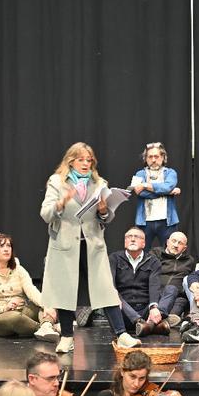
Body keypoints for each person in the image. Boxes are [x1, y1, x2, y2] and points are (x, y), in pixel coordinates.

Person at [39, 142, 141, 354]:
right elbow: (45, 213)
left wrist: (104, 210)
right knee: (64, 291)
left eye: (89, 160)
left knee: (105, 289)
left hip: (92, 244)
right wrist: (60, 204)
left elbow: (105, 219)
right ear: (71, 161)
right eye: (81, 160)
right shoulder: (57, 181)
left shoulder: (99, 183)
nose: (86, 164)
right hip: (66, 244)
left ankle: (121, 334)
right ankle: (67, 336)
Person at [0, 233, 58, 340]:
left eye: (8, 246)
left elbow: (32, 291)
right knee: (15, 318)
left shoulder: (18, 270)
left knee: (44, 306)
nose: (6, 249)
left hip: (21, 311)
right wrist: (5, 307)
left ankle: (47, 326)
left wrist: (46, 305)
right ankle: (47, 328)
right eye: (1, 246)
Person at [110, 227, 169, 337]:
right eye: (129, 237)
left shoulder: (153, 261)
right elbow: (110, 282)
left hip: (146, 310)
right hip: (123, 311)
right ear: (125, 242)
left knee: (171, 289)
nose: (132, 239)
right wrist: (114, 296)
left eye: (136, 237)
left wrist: (153, 307)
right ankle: (148, 324)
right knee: (110, 293)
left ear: (143, 243)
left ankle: (150, 323)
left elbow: (154, 285)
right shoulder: (114, 258)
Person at [130, 142, 181, 250]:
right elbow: (140, 193)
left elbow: (167, 187)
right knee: (141, 252)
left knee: (170, 252)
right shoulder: (139, 174)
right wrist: (169, 192)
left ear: (162, 157)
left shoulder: (170, 173)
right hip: (145, 221)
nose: (153, 160)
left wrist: (145, 185)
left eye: (156, 156)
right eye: (150, 157)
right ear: (146, 159)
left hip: (167, 221)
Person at [149, 230, 193, 324]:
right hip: (157, 294)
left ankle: (157, 321)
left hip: (177, 298)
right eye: (173, 241)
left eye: (180, 243)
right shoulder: (156, 253)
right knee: (171, 288)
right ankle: (161, 315)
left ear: (184, 248)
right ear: (167, 242)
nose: (176, 245)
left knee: (181, 301)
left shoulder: (189, 261)